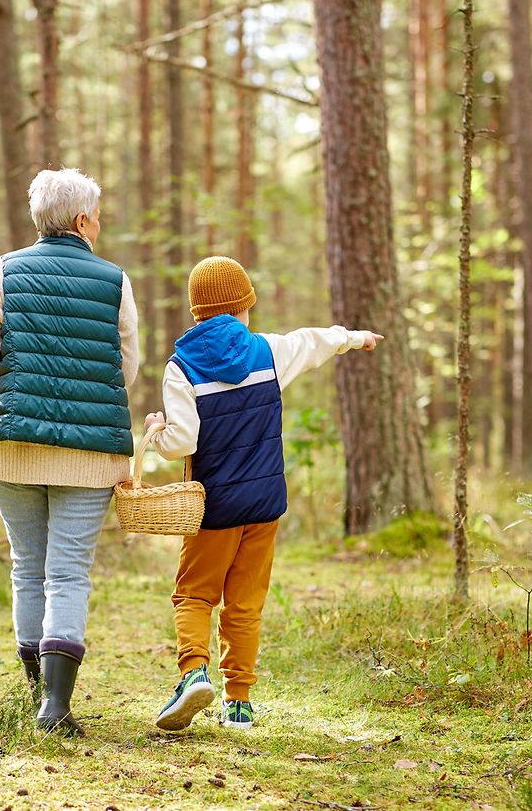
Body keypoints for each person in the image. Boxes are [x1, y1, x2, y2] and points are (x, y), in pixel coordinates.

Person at [144, 256, 382, 731]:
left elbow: (183, 442)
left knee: (194, 594)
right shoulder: (268, 352)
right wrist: (355, 338)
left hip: (214, 507)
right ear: (242, 308)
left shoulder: (181, 367)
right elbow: (314, 341)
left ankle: (193, 673)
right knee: (245, 602)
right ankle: (239, 703)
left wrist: (156, 431)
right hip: (265, 503)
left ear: (198, 313)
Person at [0, 168, 139, 736]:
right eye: (98, 215)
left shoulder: (2, 270)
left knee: (27, 566)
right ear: (82, 221)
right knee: (68, 573)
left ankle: (35, 692)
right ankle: (55, 709)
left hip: (12, 450)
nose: (100, 224)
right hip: (90, 456)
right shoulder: (113, 280)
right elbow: (125, 369)